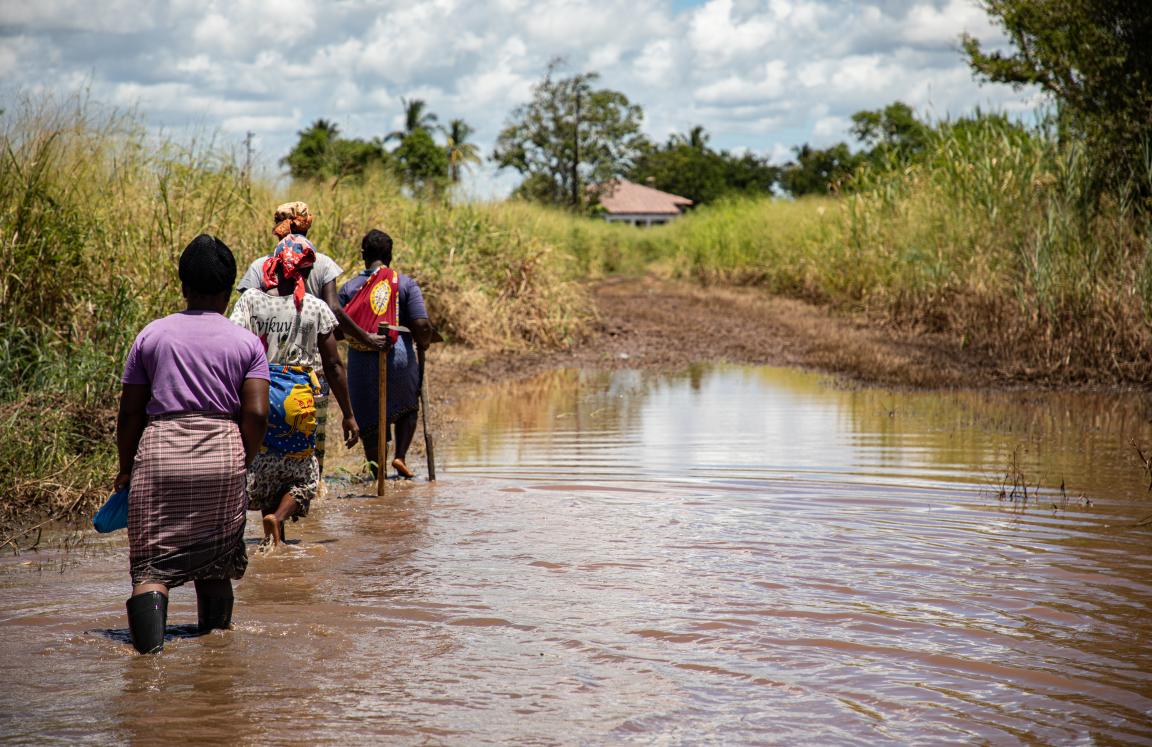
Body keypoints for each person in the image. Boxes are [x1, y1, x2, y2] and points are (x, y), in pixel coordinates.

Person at [116, 234, 270, 655]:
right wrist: (242, 456)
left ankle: (147, 664)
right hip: (223, 451)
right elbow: (256, 414)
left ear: (182, 284)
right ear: (229, 288)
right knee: (216, 562)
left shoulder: (153, 335)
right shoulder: (246, 343)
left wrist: (126, 466)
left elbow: (130, 413)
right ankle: (217, 660)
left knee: (151, 566)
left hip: (161, 451)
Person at [236, 201, 388, 475]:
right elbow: (333, 310)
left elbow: (243, 320)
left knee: (265, 446)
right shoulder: (320, 262)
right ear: (307, 223)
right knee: (310, 445)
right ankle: (309, 493)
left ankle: (271, 499)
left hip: (263, 375)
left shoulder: (259, 267)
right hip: (311, 374)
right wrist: (366, 337)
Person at [230, 233, 359, 546]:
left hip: (258, 393)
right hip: (298, 398)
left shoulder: (252, 301)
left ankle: (266, 534)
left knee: (262, 463)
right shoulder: (315, 308)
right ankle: (279, 518)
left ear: (273, 265)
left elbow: (231, 345)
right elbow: (333, 365)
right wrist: (349, 415)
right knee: (303, 473)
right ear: (305, 271)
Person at [338, 229, 432, 479]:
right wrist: (424, 341)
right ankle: (400, 456)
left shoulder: (349, 288)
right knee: (407, 407)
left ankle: (375, 468)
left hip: (362, 365)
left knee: (369, 415)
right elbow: (421, 325)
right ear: (390, 255)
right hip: (399, 360)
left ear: (363, 254)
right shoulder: (404, 284)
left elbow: (336, 328)